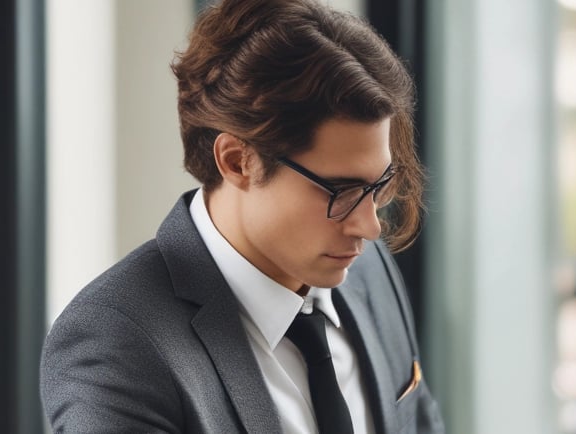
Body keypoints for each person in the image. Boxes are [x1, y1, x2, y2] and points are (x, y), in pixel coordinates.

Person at [39, 0, 443, 432]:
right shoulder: (117, 346)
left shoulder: (366, 270)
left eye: (378, 186)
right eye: (340, 191)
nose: (370, 226)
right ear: (236, 161)